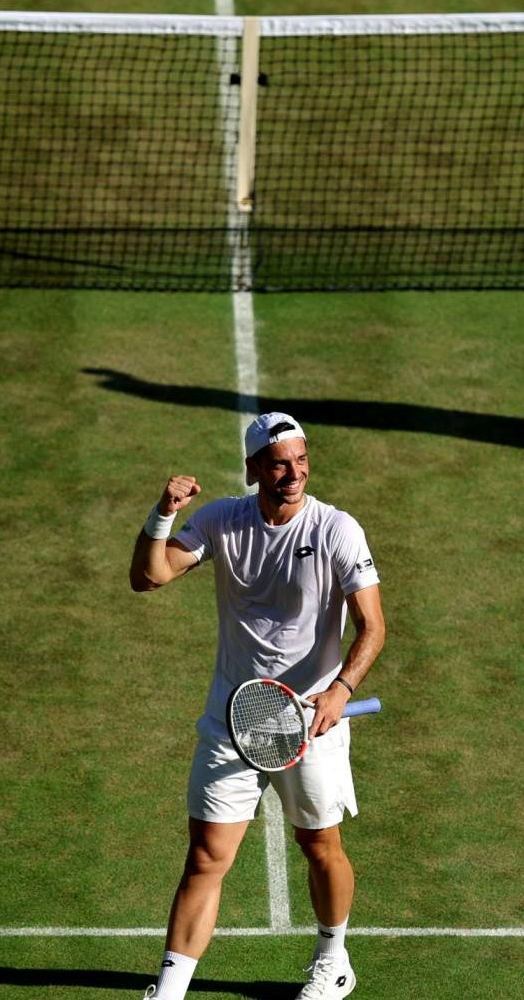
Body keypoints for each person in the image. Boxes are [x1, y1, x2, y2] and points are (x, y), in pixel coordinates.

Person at [128, 412, 385, 1000]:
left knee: (319, 846)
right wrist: (163, 513)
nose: (293, 474)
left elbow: (372, 626)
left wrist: (341, 689)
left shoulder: (337, 529)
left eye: (301, 461)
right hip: (233, 721)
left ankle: (333, 960)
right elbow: (149, 577)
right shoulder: (222, 520)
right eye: (278, 464)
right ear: (252, 470)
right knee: (206, 857)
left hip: (310, 723)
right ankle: (168, 991)